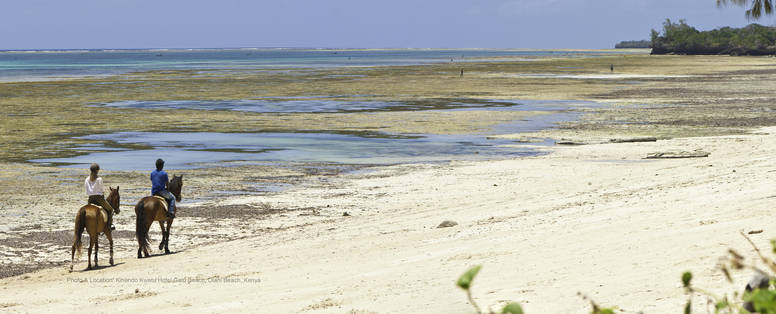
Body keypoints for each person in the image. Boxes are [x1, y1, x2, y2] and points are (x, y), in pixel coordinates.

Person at [85, 163, 117, 230]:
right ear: (97, 170)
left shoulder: (87, 179)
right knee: (110, 209)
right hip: (99, 198)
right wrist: (102, 194)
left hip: (90, 199)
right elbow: (102, 189)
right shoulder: (99, 179)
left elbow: (87, 190)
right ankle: (110, 225)